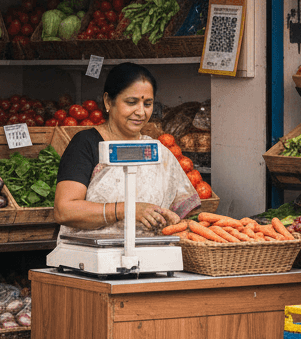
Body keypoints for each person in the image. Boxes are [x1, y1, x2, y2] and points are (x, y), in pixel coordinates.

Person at [54, 62, 200, 233]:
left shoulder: (158, 152)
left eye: (147, 104)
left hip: (153, 255)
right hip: (92, 255)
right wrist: (127, 210)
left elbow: (187, 213)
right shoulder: (86, 144)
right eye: (131, 102)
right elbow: (64, 211)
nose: (141, 112)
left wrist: (175, 221)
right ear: (108, 101)